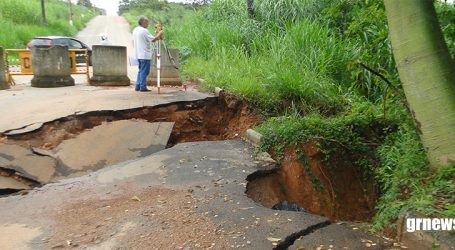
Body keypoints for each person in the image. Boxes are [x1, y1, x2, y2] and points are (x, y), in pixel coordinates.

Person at [132, 16, 163, 92]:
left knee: (141, 70)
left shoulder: (135, 30)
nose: (148, 24)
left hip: (138, 54)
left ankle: (138, 86)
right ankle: (143, 87)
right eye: (147, 22)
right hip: (144, 54)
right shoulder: (144, 30)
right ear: (143, 22)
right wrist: (160, 33)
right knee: (145, 71)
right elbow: (153, 39)